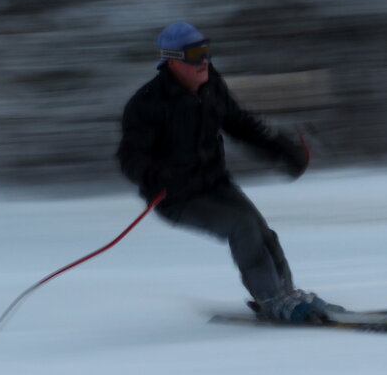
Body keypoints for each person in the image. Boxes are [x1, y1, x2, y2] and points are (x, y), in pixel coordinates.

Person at [116, 21, 339, 323]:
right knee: (241, 226)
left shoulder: (211, 88)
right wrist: (156, 175)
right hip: (177, 197)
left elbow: (240, 124)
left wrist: (281, 149)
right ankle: (273, 299)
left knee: (261, 231)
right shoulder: (147, 105)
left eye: (206, 51)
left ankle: (286, 294)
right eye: (194, 54)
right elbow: (129, 157)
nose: (203, 60)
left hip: (215, 184)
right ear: (172, 61)